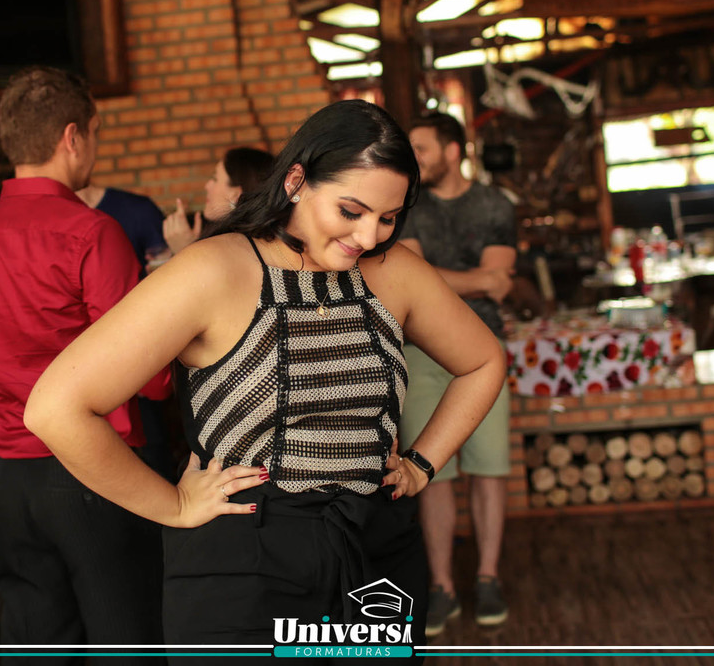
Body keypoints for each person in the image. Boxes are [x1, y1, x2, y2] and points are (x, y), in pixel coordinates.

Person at [25, 99, 506, 661]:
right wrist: (172, 506)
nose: (369, 235)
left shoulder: (394, 272)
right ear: (296, 181)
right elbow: (55, 408)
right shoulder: (215, 269)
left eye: (388, 217)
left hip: (374, 550)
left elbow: (483, 361)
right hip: (245, 560)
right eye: (351, 211)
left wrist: (422, 465)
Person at [0, 66, 171, 659]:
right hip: (95, 469)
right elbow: (149, 377)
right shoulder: (92, 232)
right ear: (73, 137)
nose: (94, 147)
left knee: (39, 649)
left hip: (9, 481)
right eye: (95, 133)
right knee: (127, 643)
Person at [398, 111, 517, 636]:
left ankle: (488, 577)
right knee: (430, 472)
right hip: (419, 351)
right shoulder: (406, 204)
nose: (415, 159)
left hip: (485, 351)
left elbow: (501, 280)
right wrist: (477, 280)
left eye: (422, 148)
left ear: (452, 150)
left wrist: (436, 280)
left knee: (490, 468)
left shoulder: (495, 204)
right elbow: (414, 277)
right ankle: (442, 585)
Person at [76, 183, 178, 482]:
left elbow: (168, 283)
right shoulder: (41, 223)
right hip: (75, 376)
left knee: (152, 468)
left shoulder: (136, 211)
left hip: (136, 371)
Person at [162, 146, 274, 254]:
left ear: (235, 195)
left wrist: (184, 250)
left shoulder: (236, 246)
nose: (207, 185)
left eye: (215, 179)